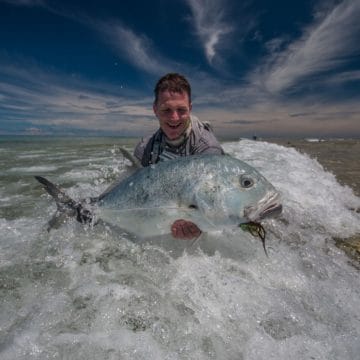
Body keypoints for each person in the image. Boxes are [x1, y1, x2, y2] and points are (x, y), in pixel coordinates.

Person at [134, 73, 224, 240]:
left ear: (190, 108)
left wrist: (202, 226)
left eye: (181, 110)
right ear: (155, 110)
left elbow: (216, 204)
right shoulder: (144, 149)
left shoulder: (208, 149)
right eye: (166, 110)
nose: (174, 118)